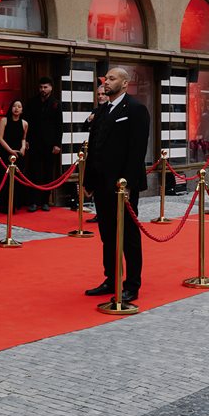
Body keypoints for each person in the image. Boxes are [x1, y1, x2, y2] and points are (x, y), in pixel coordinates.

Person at [83, 67, 150, 303]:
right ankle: (111, 278)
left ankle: (132, 284)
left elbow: (136, 150)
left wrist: (129, 184)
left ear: (124, 83)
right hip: (101, 184)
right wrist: (88, 181)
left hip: (122, 186)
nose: (106, 82)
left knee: (128, 236)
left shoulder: (135, 109)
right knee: (107, 235)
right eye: (105, 79)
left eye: (112, 79)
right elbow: (94, 145)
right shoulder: (103, 110)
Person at [24, 76, 63, 212]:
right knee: (33, 172)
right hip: (34, 142)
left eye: (45, 87)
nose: (43, 90)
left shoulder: (56, 103)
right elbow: (26, 123)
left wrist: (57, 144)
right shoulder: (31, 102)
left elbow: (59, 126)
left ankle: (46, 201)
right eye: (41, 87)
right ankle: (33, 201)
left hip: (50, 143)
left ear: (51, 88)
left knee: (48, 172)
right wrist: (25, 140)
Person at [0, 99, 28, 212]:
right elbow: (0, 138)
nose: (16, 108)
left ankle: (15, 205)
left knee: (16, 180)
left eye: (19, 106)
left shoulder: (24, 123)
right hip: (5, 153)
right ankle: (2, 205)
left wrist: (23, 148)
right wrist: (10, 150)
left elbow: (23, 138)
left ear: (22, 110)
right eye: (14, 106)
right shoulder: (4, 120)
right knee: (3, 179)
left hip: (18, 154)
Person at [83, 83, 109, 223]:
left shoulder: (110, 111)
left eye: (103, 94)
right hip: (94, 155)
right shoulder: (96, 111)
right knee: (96, 187)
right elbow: (84, 126)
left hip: (106, 156)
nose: (100, 97)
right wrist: (89, 119)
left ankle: (106, 214)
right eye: (98, 94)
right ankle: (99, 213)